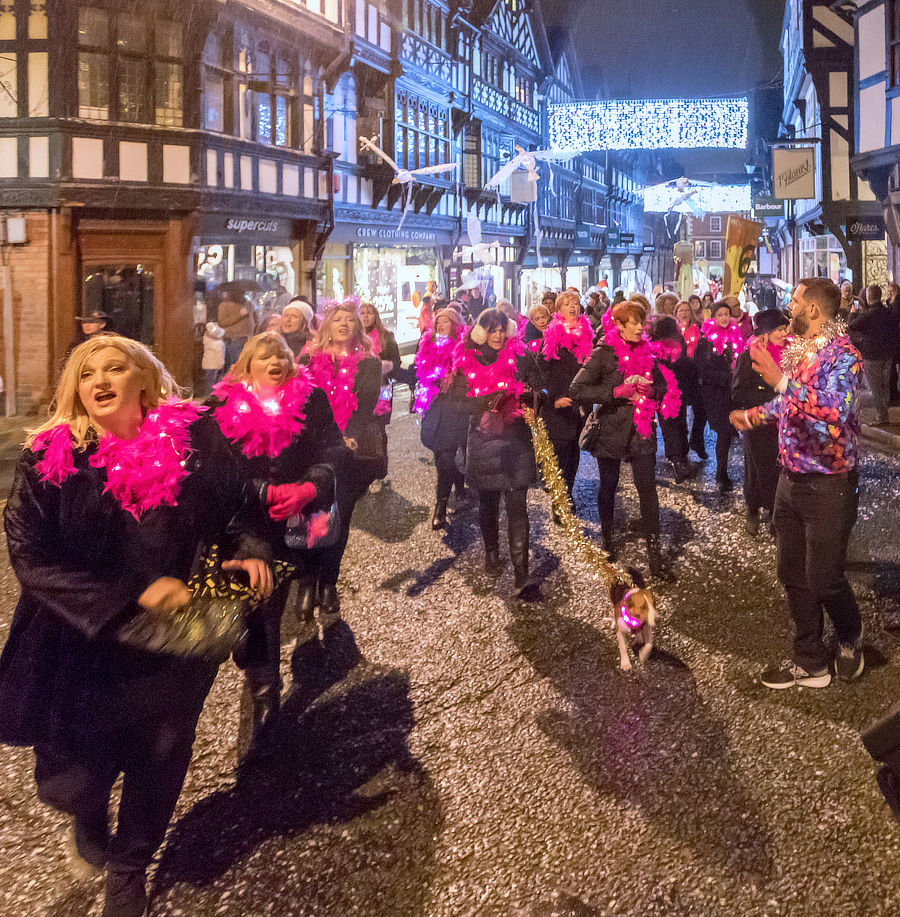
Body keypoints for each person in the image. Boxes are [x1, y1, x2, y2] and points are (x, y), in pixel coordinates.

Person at [0, 335, 273, 917]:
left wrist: (248, 549)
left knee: (162, 752)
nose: (99, 379)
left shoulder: (196, 440)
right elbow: (29, 555)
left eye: (115, 368)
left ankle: (129, 867)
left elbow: (239, 506)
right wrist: (132, 592)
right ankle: (90, 813)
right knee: (66, 781)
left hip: (175, 635)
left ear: (143, 381)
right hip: (82, 637)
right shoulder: (52, 458)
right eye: (86, 371)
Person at [208, 332, 347, 751]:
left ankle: (264, 672)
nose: (275, 361)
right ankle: (265, 690)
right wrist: (260, 492)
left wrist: (310, 487)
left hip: (299, 519)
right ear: (245, 364)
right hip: (247, 523)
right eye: (264, 355)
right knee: (261, 604)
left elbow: (335, 450)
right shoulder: (222, 407)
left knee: (277, 596)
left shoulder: (312, 399)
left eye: (282, 355)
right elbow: (212, 469)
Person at [731, 277, 865, 689]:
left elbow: (833, 412)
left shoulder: (845, 356)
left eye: (794, 299)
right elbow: (789, 404)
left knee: (824, 578)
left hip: (830, 483)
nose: (788, 305)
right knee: (792, 571)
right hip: (789, 480)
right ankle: (809, 659)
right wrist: (754, 415)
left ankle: (849, 637)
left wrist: (779, 380)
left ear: (812, 309)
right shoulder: (799, 352)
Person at [570, 300, 680, 577]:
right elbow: (578, 388)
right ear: (619, 325)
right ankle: (607, 540)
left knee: (648, 490)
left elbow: (663, 386)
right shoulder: (604, 352)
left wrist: (653, 390)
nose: (641, 328)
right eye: (635, 323)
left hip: (642, 430)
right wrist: (616, 392)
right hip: (611, 429)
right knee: (608, 485)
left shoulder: (647, 351)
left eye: (643, 323)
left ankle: (655, 557)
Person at [303, 305, 384, 619]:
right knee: (312, 515)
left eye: (350, 320)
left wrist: (348, 434)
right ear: (327, 327)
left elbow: (365, 405)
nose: (344, 324)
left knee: (340, 517)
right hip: (313, 450)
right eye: (338, 319)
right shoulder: (308, 361)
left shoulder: (369, 364)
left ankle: (329, 582)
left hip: (349, 451)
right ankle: (309, 581)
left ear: (358, 329)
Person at [453, 308, 539, 599]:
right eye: (492, 330)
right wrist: (486, 403)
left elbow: (542, 389)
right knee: (488, 505)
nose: (498, 335)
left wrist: (529, 396)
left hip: (516, 443)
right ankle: (491, 552)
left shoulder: (522, 357)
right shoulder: (467, 361)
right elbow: (457, 403)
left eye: (502, 329)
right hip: (484, 442)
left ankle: (521, 571)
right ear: (481, 332)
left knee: (517, 507)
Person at [532, 290, 592, 516]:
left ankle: (567, 491)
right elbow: (540, 371)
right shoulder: (552, 334)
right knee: (560, 451)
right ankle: (561, 497)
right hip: (558, 405)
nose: (573, 307)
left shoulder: (587, 333)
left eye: (576, 303)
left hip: (579, 404)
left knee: (574, 450)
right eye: (568, 304)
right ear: (558, 311)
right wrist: (553, 396)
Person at [731, 309, 789, 536]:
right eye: (779, 330)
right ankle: (753, 508)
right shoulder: (749, 356)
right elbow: (738, 393)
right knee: (756, 469)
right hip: (757, 423)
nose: (785, 333)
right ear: (764, 334)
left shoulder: (790, 355)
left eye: (785, 329)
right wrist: (766, 406)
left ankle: (776, 514)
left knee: (778, 469)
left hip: (783, 424)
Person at [412, 308, 469, 528]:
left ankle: (440, 506)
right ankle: (459, 480)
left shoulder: (463, 348)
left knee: (445, 458)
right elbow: (417, 372)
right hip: (433, 409)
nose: (441, 325)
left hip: (455, 410)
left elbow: (470, 378)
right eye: (439, 322)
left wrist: (455, 378)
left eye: (446, 321)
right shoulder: (426, 345)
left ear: (455, 325)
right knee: (439, 457)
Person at [697, 301, 746, 493]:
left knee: (728, 433)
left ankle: (722, 472)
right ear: (714, 317)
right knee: (724, 433)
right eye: (720, 314)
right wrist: (727, 376)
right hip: (715, 394)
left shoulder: (735, 336)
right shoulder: (706, 340)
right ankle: (721, 474)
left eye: (727, 314)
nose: (724, 318)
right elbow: (702, 371)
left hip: (732, 392)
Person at [359, 302, 402, 490]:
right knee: (362, 428)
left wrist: (385, 366)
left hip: (382, 388)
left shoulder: (387, 336)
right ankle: (364, 467)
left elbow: (396, 362)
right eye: (362, 313)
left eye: (369, 313)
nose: (365, 316)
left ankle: (381, 469)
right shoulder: (354, 338)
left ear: (376, 315)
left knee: (379, 428)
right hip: (360, 391)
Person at [649, 316, 697, 483]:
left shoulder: (653, 348)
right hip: (678, 391)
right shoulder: (679, 344)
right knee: (680, 424)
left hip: (662, 393)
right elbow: (687, 367)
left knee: (668, 428)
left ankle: (676, 460)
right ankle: (680, 460)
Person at [848, 284, 898, 426]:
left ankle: (881, 415)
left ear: (869, 297)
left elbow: (851, 325)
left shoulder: (868, 315)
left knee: (876, 386)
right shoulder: (888, 312)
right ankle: (884, 412)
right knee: (885, 385)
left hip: (872, 355)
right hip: (887, 354)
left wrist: (853, 312)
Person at [674, 299, 707, 459]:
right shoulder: (672, 331)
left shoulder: (698, 329)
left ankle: (697, 441)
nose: (684, 313)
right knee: (679, 414)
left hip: (695, 375)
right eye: (681, 310)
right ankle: (682, 448)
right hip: (679, 376)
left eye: (687, 310)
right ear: (676, 313)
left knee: (701, 411)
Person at [218, 290, 255, 367]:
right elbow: (222, 322)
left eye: (243, 292)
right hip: (235, 338)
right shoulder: (225, 305)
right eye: (240, 292)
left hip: (249, 337)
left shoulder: (248, 304)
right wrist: (239, 315)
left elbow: (255, 318)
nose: (242, 294)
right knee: (236, 364)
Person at [201, 320, 226, 395]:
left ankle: (214, 395)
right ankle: (210, 396)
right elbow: (220, 333)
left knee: (215, 380)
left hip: (216, 363)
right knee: (210, 381)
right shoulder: (209, 338)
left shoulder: (217, 338)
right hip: (210, 364)